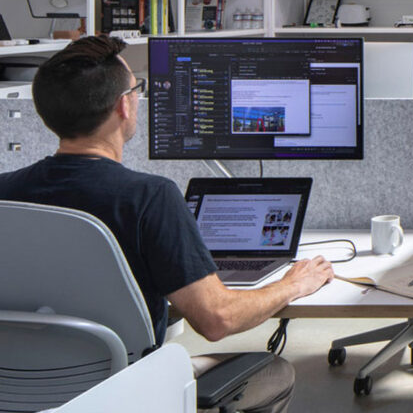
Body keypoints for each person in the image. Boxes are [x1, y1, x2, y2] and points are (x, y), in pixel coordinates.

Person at [0, 36, 333, 413]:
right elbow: (216, 319)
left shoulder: (3, 192)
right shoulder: (147, 198)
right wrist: (290, 285)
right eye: (137, 90)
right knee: (274, 371)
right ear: (124, 105)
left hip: (16, 389)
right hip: (121, 390)